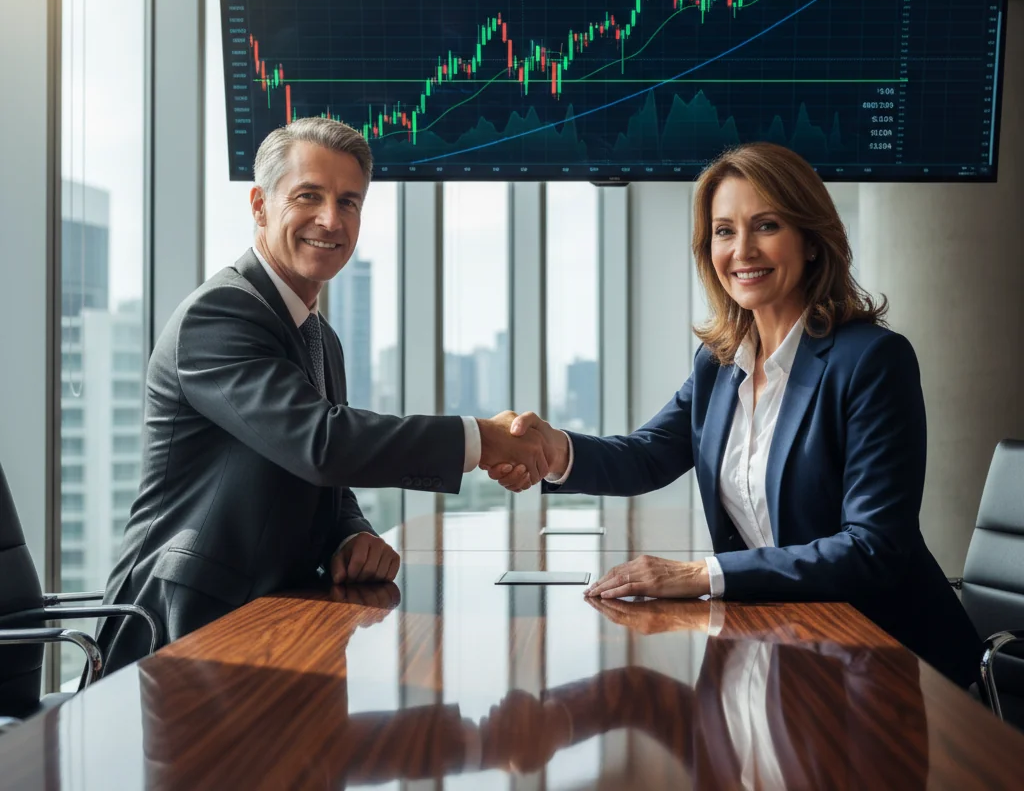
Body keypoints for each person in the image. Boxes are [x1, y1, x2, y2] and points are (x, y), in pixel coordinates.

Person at [493, 141, 982, 688]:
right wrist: (553, 449)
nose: (742, 250)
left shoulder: (871, 361)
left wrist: (702, 574)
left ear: (812, 241)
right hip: (792, 641)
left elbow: (873, 549)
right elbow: (649, 455)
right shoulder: (720, 364)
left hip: (889, 663)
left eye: (766, 225)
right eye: (724, 231)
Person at [97, 118, 547, 673]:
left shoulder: (318, 335)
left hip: (280, 615)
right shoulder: (220, 315)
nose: (331, 220)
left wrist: (351, 534)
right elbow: (321, 443)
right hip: (183, 629)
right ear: (260, 204)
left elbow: (318, 469)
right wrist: (483, 439)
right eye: (309, 196)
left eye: (349, 202)